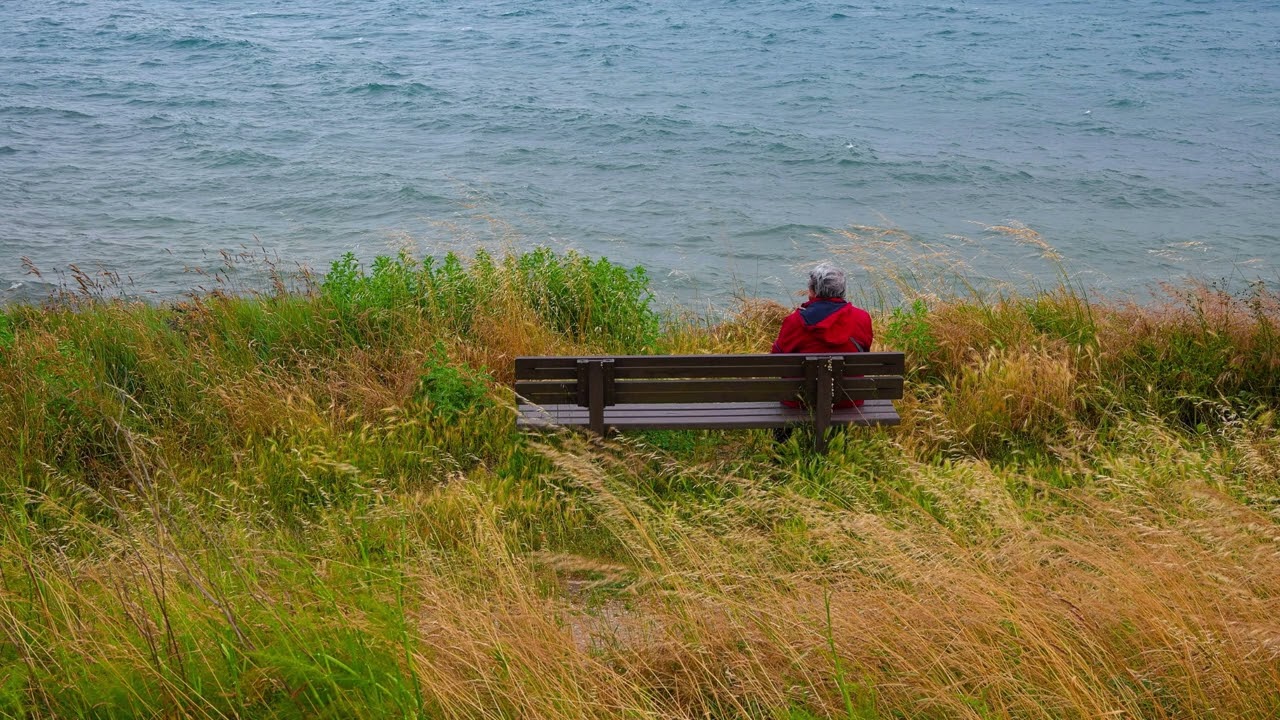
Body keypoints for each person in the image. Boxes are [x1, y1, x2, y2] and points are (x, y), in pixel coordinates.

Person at [771, 262, 873, 410]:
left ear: (812, 291)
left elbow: (776, 361)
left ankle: (782, 434)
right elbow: (864, 351)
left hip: (799, 401)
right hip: (849, 399)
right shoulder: (862, 318)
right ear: (842, 291)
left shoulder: (794, 321)